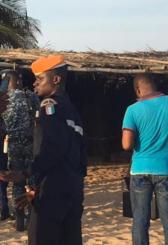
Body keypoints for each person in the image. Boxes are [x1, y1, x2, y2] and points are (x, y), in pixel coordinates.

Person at [0, 55, 87, 245]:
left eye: (40, 79)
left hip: (52, 194)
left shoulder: (49, 106)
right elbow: (79, 157)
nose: (34, 83)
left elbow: (53, 148)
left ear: (55, 80)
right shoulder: (72, 110)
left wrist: (27, 173)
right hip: (72, 191)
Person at [122, 74, 168, 245]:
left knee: (140, 221)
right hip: (166, 169)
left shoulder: (132, 110)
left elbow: (126, 144)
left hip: (140, 169)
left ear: (138, 89)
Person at [1, 69, 39, 231]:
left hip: (13, 144)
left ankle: (19, 219)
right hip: (30, 143)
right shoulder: (31, 96)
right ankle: (32, 215)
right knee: (30, 178)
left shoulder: (3, 100)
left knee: (16, 180)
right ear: (18, 80)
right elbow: (38, 118)